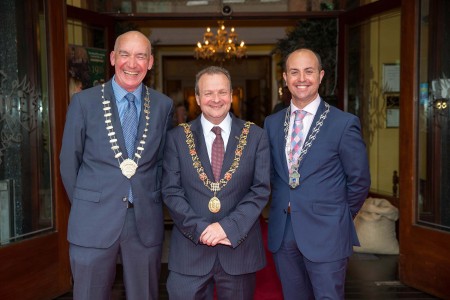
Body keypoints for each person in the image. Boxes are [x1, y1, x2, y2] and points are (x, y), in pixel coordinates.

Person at [60, 31, 174, 300]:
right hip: (92, 222)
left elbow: (161, 163)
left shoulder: (162, 105)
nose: (131, 64)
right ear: (112, 58)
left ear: (150, 62)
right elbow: (68, 163)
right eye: (124, 54)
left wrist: (152, 197)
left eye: (140, 56)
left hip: (144, 222)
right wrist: (89, 205)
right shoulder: (83, 103)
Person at [264, 48, 371, 299]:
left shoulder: (343, 123)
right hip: (284, 231)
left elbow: (359, 180)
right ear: (285, 77)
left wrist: (338, 217)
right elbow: (269, 174)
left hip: (327, 232)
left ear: (321, 76)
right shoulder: (272, 123)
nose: (302, 78)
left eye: (309, 71)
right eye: (294, 72)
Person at [162, 66, 270, 300]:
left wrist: (227, 228)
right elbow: (171, 191)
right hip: (190, 254)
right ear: (198, 98)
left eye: (222, 92)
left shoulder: (256, 136)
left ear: (231, 95)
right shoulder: (177, 138)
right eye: (208, 93)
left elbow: (260, 190)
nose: (216, 99)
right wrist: (200, 229)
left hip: (238, 252)